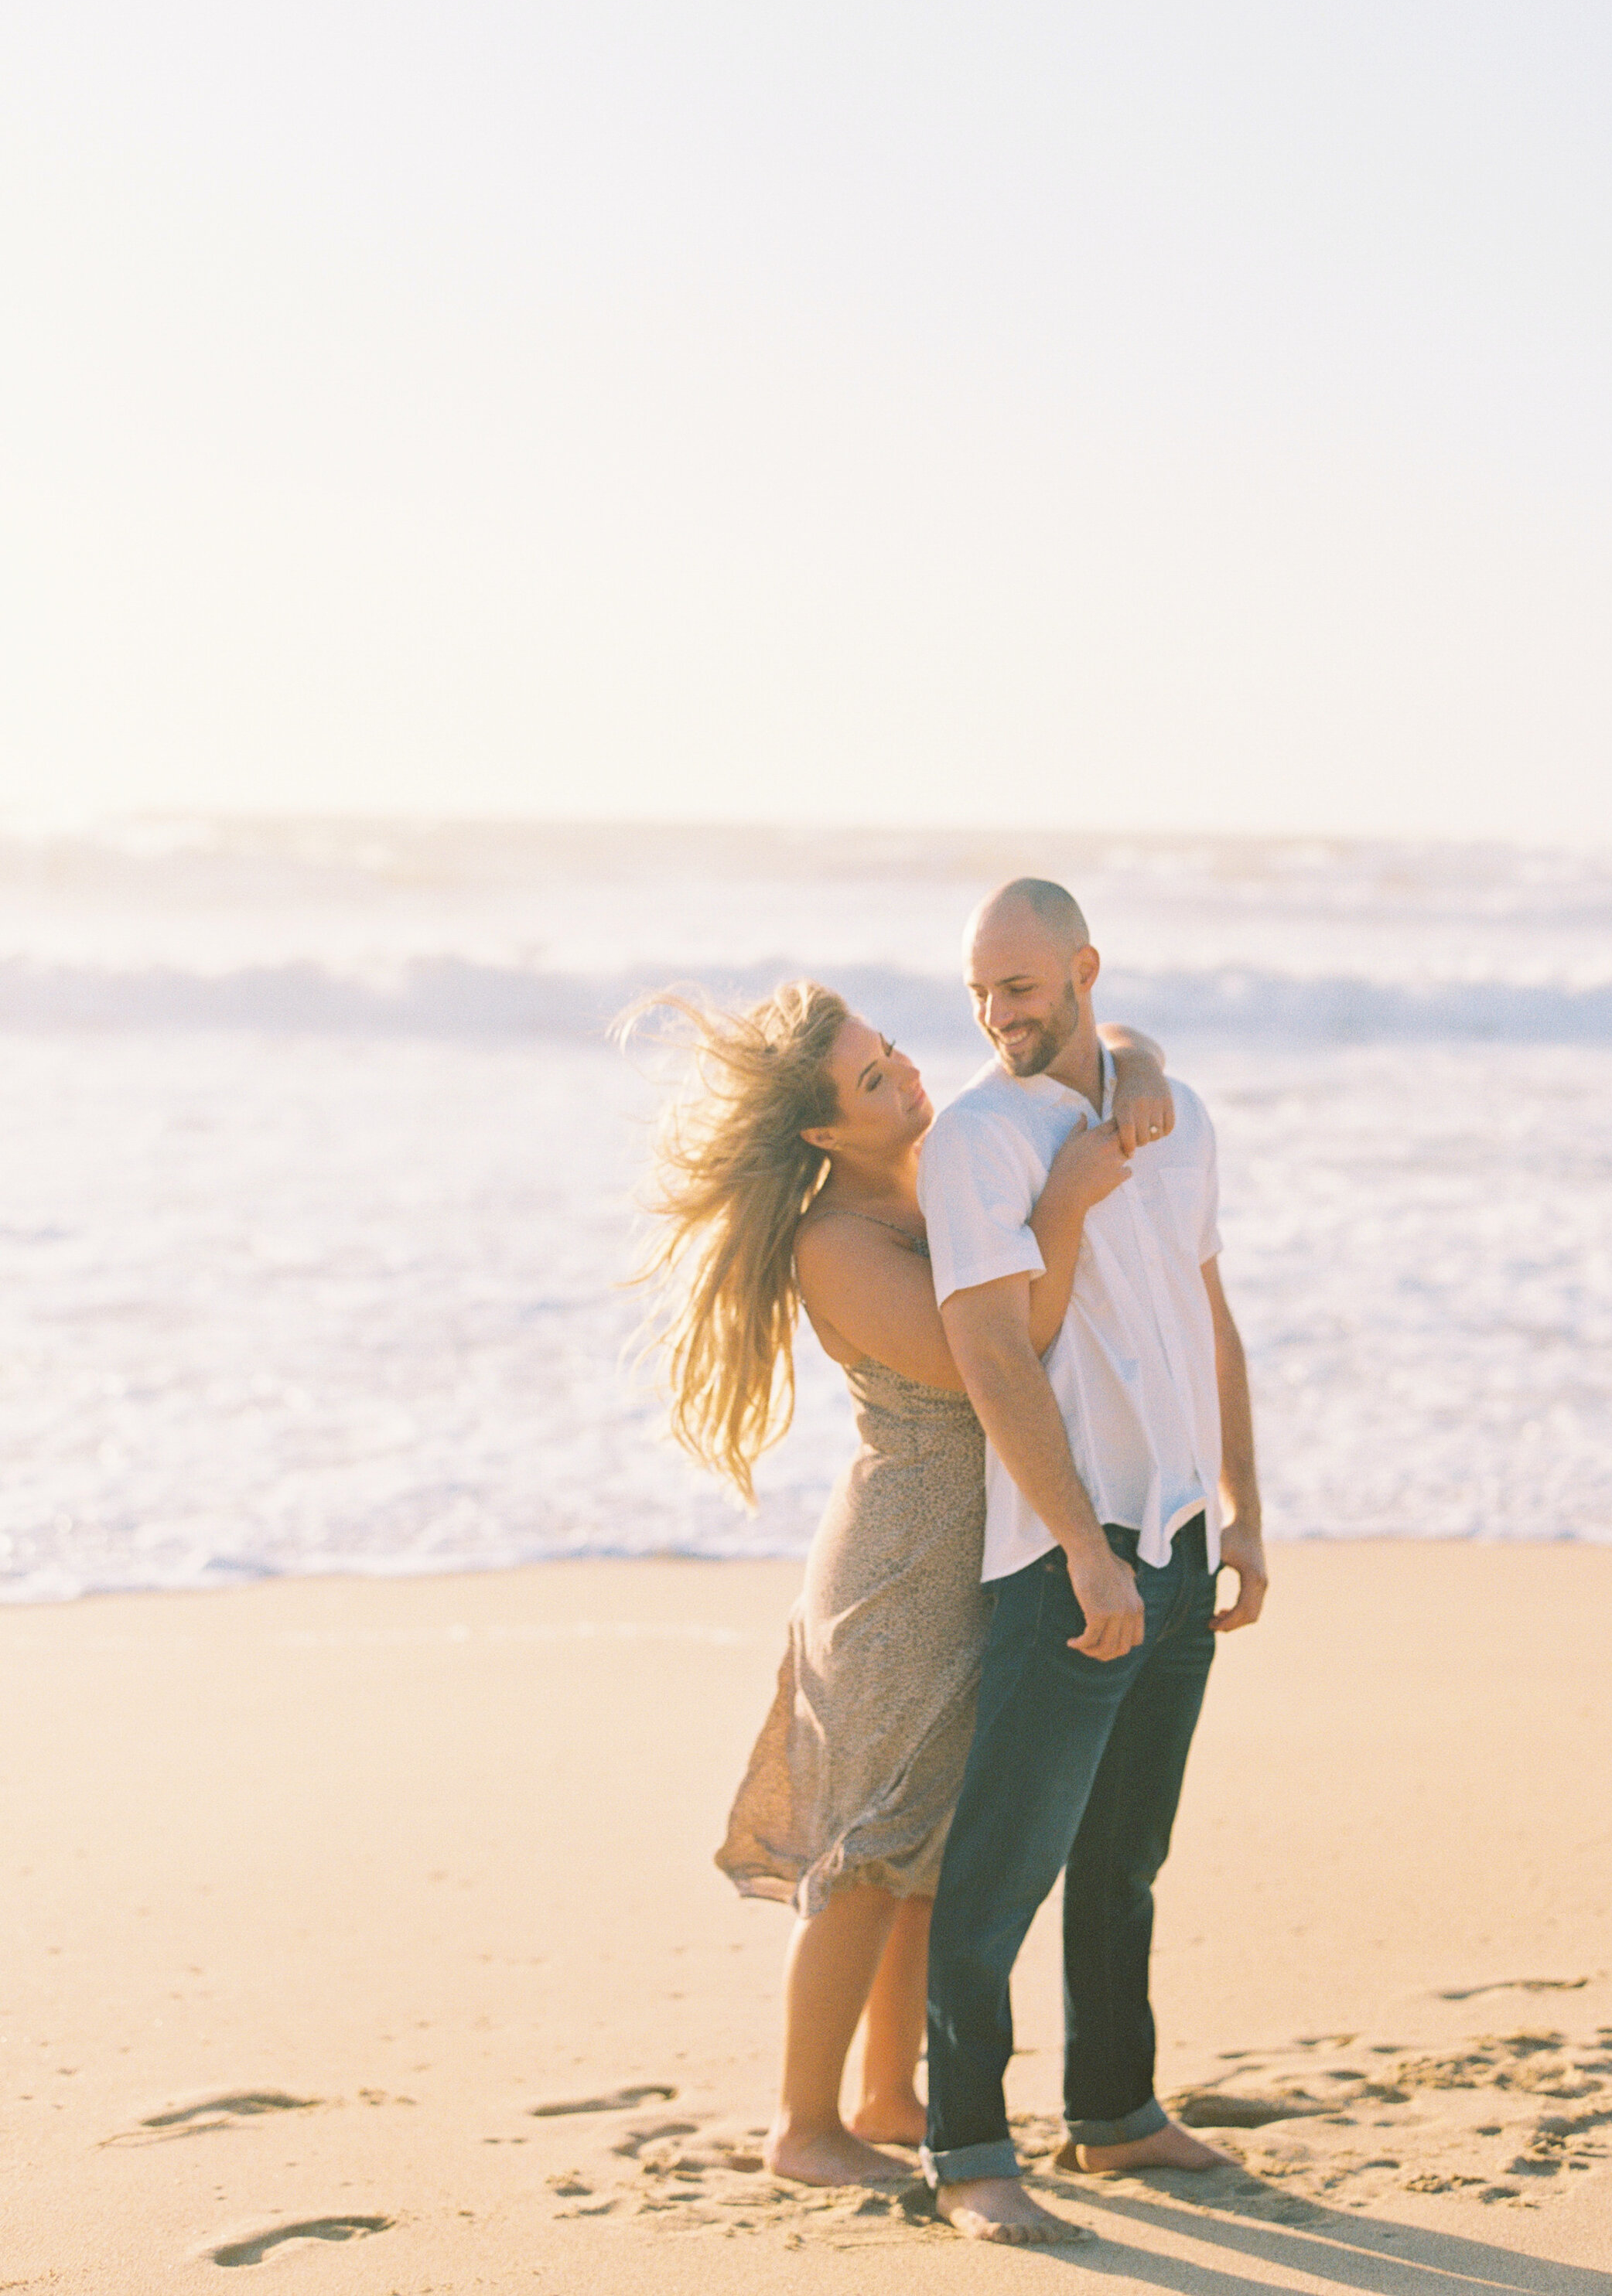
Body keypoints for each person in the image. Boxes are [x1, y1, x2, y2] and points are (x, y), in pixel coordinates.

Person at [625, 979, 1174, 2187]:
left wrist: (1133, 1072)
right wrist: (1070, 1208)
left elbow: (1107, 1041)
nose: (907, 1077)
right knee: (868, 1855)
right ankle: (802, 2128)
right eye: (873, 1081)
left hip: (982, 1543)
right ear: (823, 1132)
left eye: (891, 1054)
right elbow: (997, 1360)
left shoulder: (943, 1165)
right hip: (900, 1566)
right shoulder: (836, 1242)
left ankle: (887, 2094)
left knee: (933, 1846)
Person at [914, 880, 1269, 2244]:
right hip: (1071, 1557)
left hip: (1180, 1540)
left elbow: (1213, 1324)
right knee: (1003, 1871)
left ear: (1082, 972)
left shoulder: (1170, 1118)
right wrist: (1082, 1549)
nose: (1000, 1014)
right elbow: (992, 1357)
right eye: (979, 993)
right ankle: (970, 2152)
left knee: (1126, 1860)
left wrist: (1246, 1514)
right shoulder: (979, 1142)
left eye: (1019, 985)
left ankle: (1116, 2116)